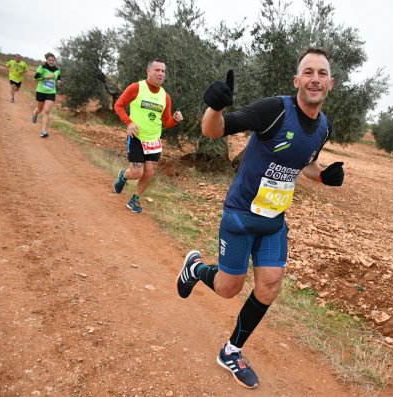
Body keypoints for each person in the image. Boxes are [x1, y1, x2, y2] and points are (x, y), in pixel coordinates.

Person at [176, 48, 345, 389]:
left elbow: (304, 163)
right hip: (240, 215)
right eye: (308, 72)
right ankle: (195, 269)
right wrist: (215, 107)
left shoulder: (323, 127)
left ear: (330, 83)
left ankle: (231, 350)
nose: (315, 79)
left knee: (269, 286)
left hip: (273, 222)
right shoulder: (274, 111)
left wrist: (322, 176)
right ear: (297, 80)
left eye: (322, 73)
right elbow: (214, 130)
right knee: (228, 288)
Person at [112, 59, 183, 214]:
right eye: (157, 70)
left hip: (154, 140)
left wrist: (175, 120)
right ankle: (123, 176)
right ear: (148, 71)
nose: (160, 74)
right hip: (137, 136)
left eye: (163, 71)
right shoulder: (136, 88)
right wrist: (129, 122)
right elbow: (118, 105)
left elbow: (166, 122)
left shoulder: (165, 97)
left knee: (149, 171)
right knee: (136, 172)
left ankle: (134, 200)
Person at [31, 52, 61, 138]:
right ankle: (35, 113)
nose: (51, 62)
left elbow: (58, 77)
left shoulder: (57, 69)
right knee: (40, 110)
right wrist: (46, 77)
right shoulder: (42, 67)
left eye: (53, 60)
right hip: (41, 91)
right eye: (49, 60)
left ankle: (43, 131)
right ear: (46, 60)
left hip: (51, 92)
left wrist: (58, 82)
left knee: (47, 111)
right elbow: (36, 77)